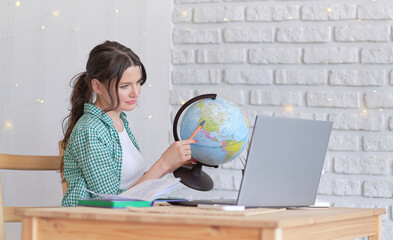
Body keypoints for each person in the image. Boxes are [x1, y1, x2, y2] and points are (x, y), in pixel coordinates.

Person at [60, 40, 195, 207]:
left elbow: (129, 188)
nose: (136, 92)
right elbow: (109, 202)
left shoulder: (119, 122)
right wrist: (163, 164)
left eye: (138, 82)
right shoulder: (90, 130)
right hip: (92, 225)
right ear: (97, 86)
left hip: (125, 218)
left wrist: (172, 164)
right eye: (125, 86)